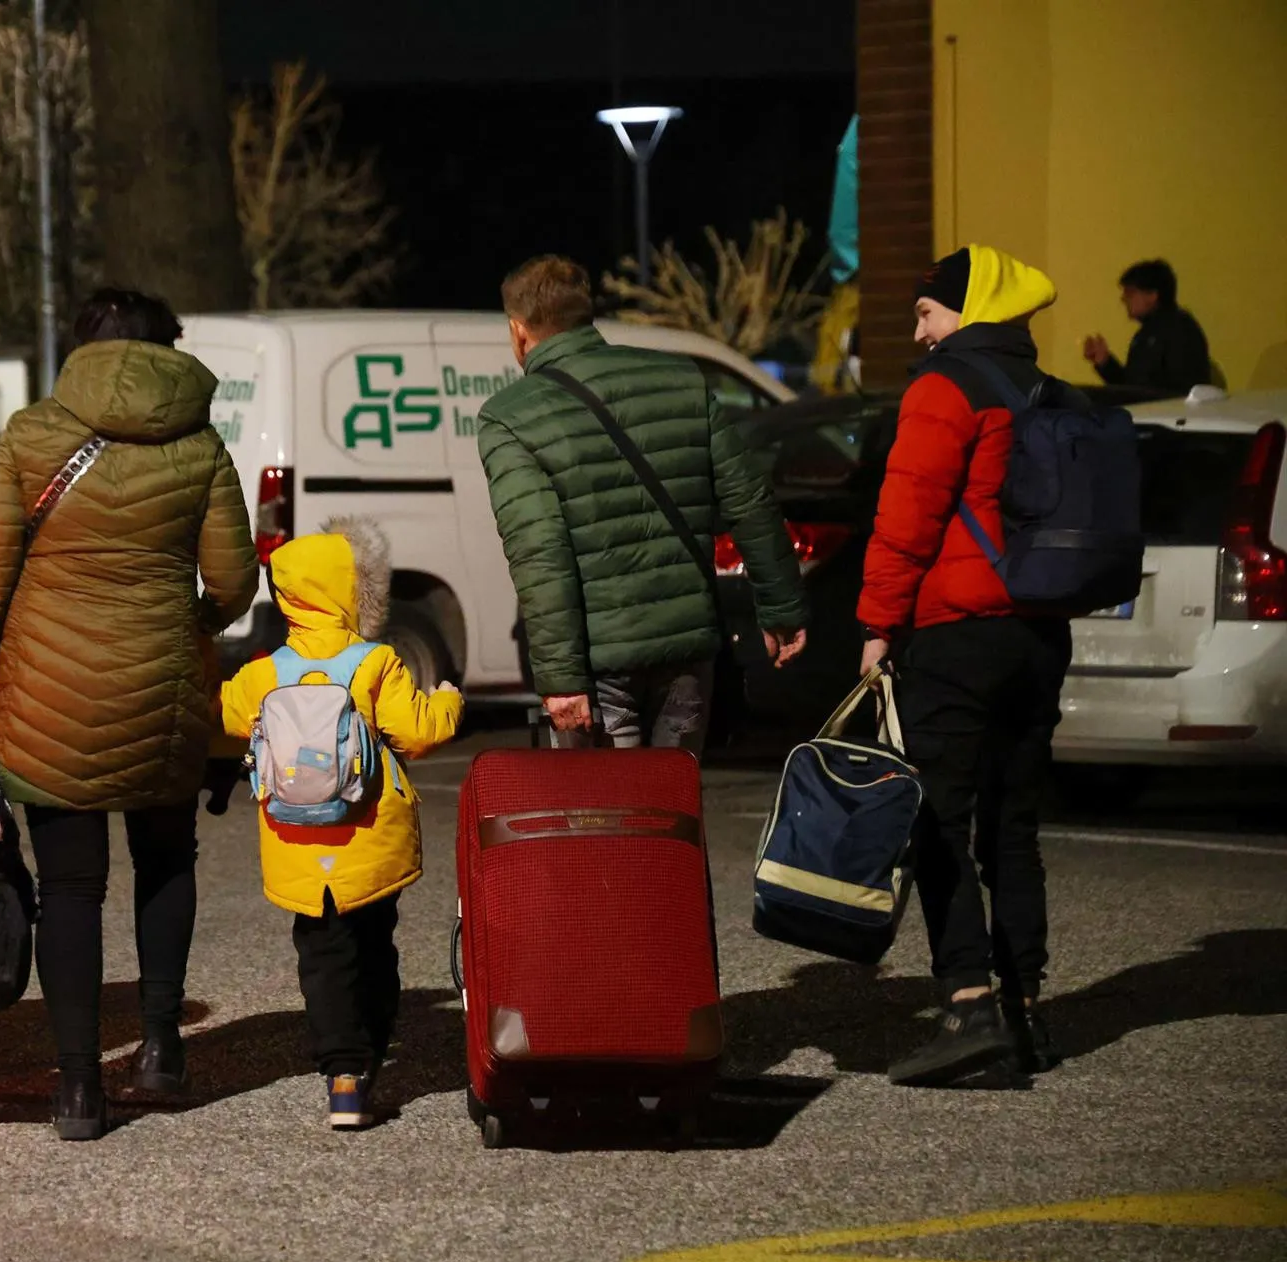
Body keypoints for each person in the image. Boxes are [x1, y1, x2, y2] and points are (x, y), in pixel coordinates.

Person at [0, 288, 258, 1139]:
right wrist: (183, 623)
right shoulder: (198, 441)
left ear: (84, 347)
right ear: (164, 349)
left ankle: (79, 1088)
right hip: (160, 690)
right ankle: (160, 1048)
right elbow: (233, 581)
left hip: (48, 694)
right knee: (166, 860)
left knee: (71, 888)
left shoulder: (33, 435)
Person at [860, 244, 1072, 1086]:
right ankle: (1024, 1016)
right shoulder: (1047, 391)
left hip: (957, 632)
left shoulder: (946, 387)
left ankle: (968, 1005)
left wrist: (878, 621)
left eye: (926, 312)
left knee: (934, 818)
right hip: (1039, 633)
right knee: (1011, 829)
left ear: (969, 309)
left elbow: (906, 514)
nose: (919, 331)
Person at [475, 254, 809, 750]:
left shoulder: (510, 418)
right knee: (674, 809)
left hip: (601, 662)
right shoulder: (682, 379)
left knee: (613, 818)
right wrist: (781, 607)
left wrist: (562, 679)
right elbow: (749, 499)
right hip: (690, 646)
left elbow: (540, 554)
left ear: (518, 331)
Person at [220, 519, 463, 1129]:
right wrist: (450, 698)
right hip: (368, 838)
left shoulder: (263, 673)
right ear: (350, 593)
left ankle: (343, 1076)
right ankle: (372, 1054)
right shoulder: (374, 664)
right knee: (374, 948)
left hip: (296, 842)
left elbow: (219, 714)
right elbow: (420, 731)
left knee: (321, 956)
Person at [1082, 258, 1213, 394]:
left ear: (1152, 295)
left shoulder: (1180, 330)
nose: (1123, 299)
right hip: (1153, 413)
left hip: (1172, 414)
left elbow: (1176, 392)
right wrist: (1105, 362)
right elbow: (1132, 388)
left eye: (1130, 292)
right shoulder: (1145, 335)